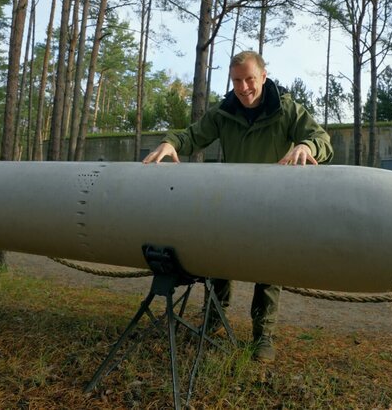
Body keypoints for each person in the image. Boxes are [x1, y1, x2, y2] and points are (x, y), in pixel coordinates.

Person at [142, 51, 333, 362]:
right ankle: (214, 320)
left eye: (249, 79)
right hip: (231, 202)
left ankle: (262, 336)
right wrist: (171, 143)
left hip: (273, 205)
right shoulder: (224, 112)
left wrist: (305, 145)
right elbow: (193, 135)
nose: (243, 88)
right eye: (237, 81)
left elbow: (321, 140)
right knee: (220, 264)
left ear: (263, 76)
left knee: (269, 271)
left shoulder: (287, 110)